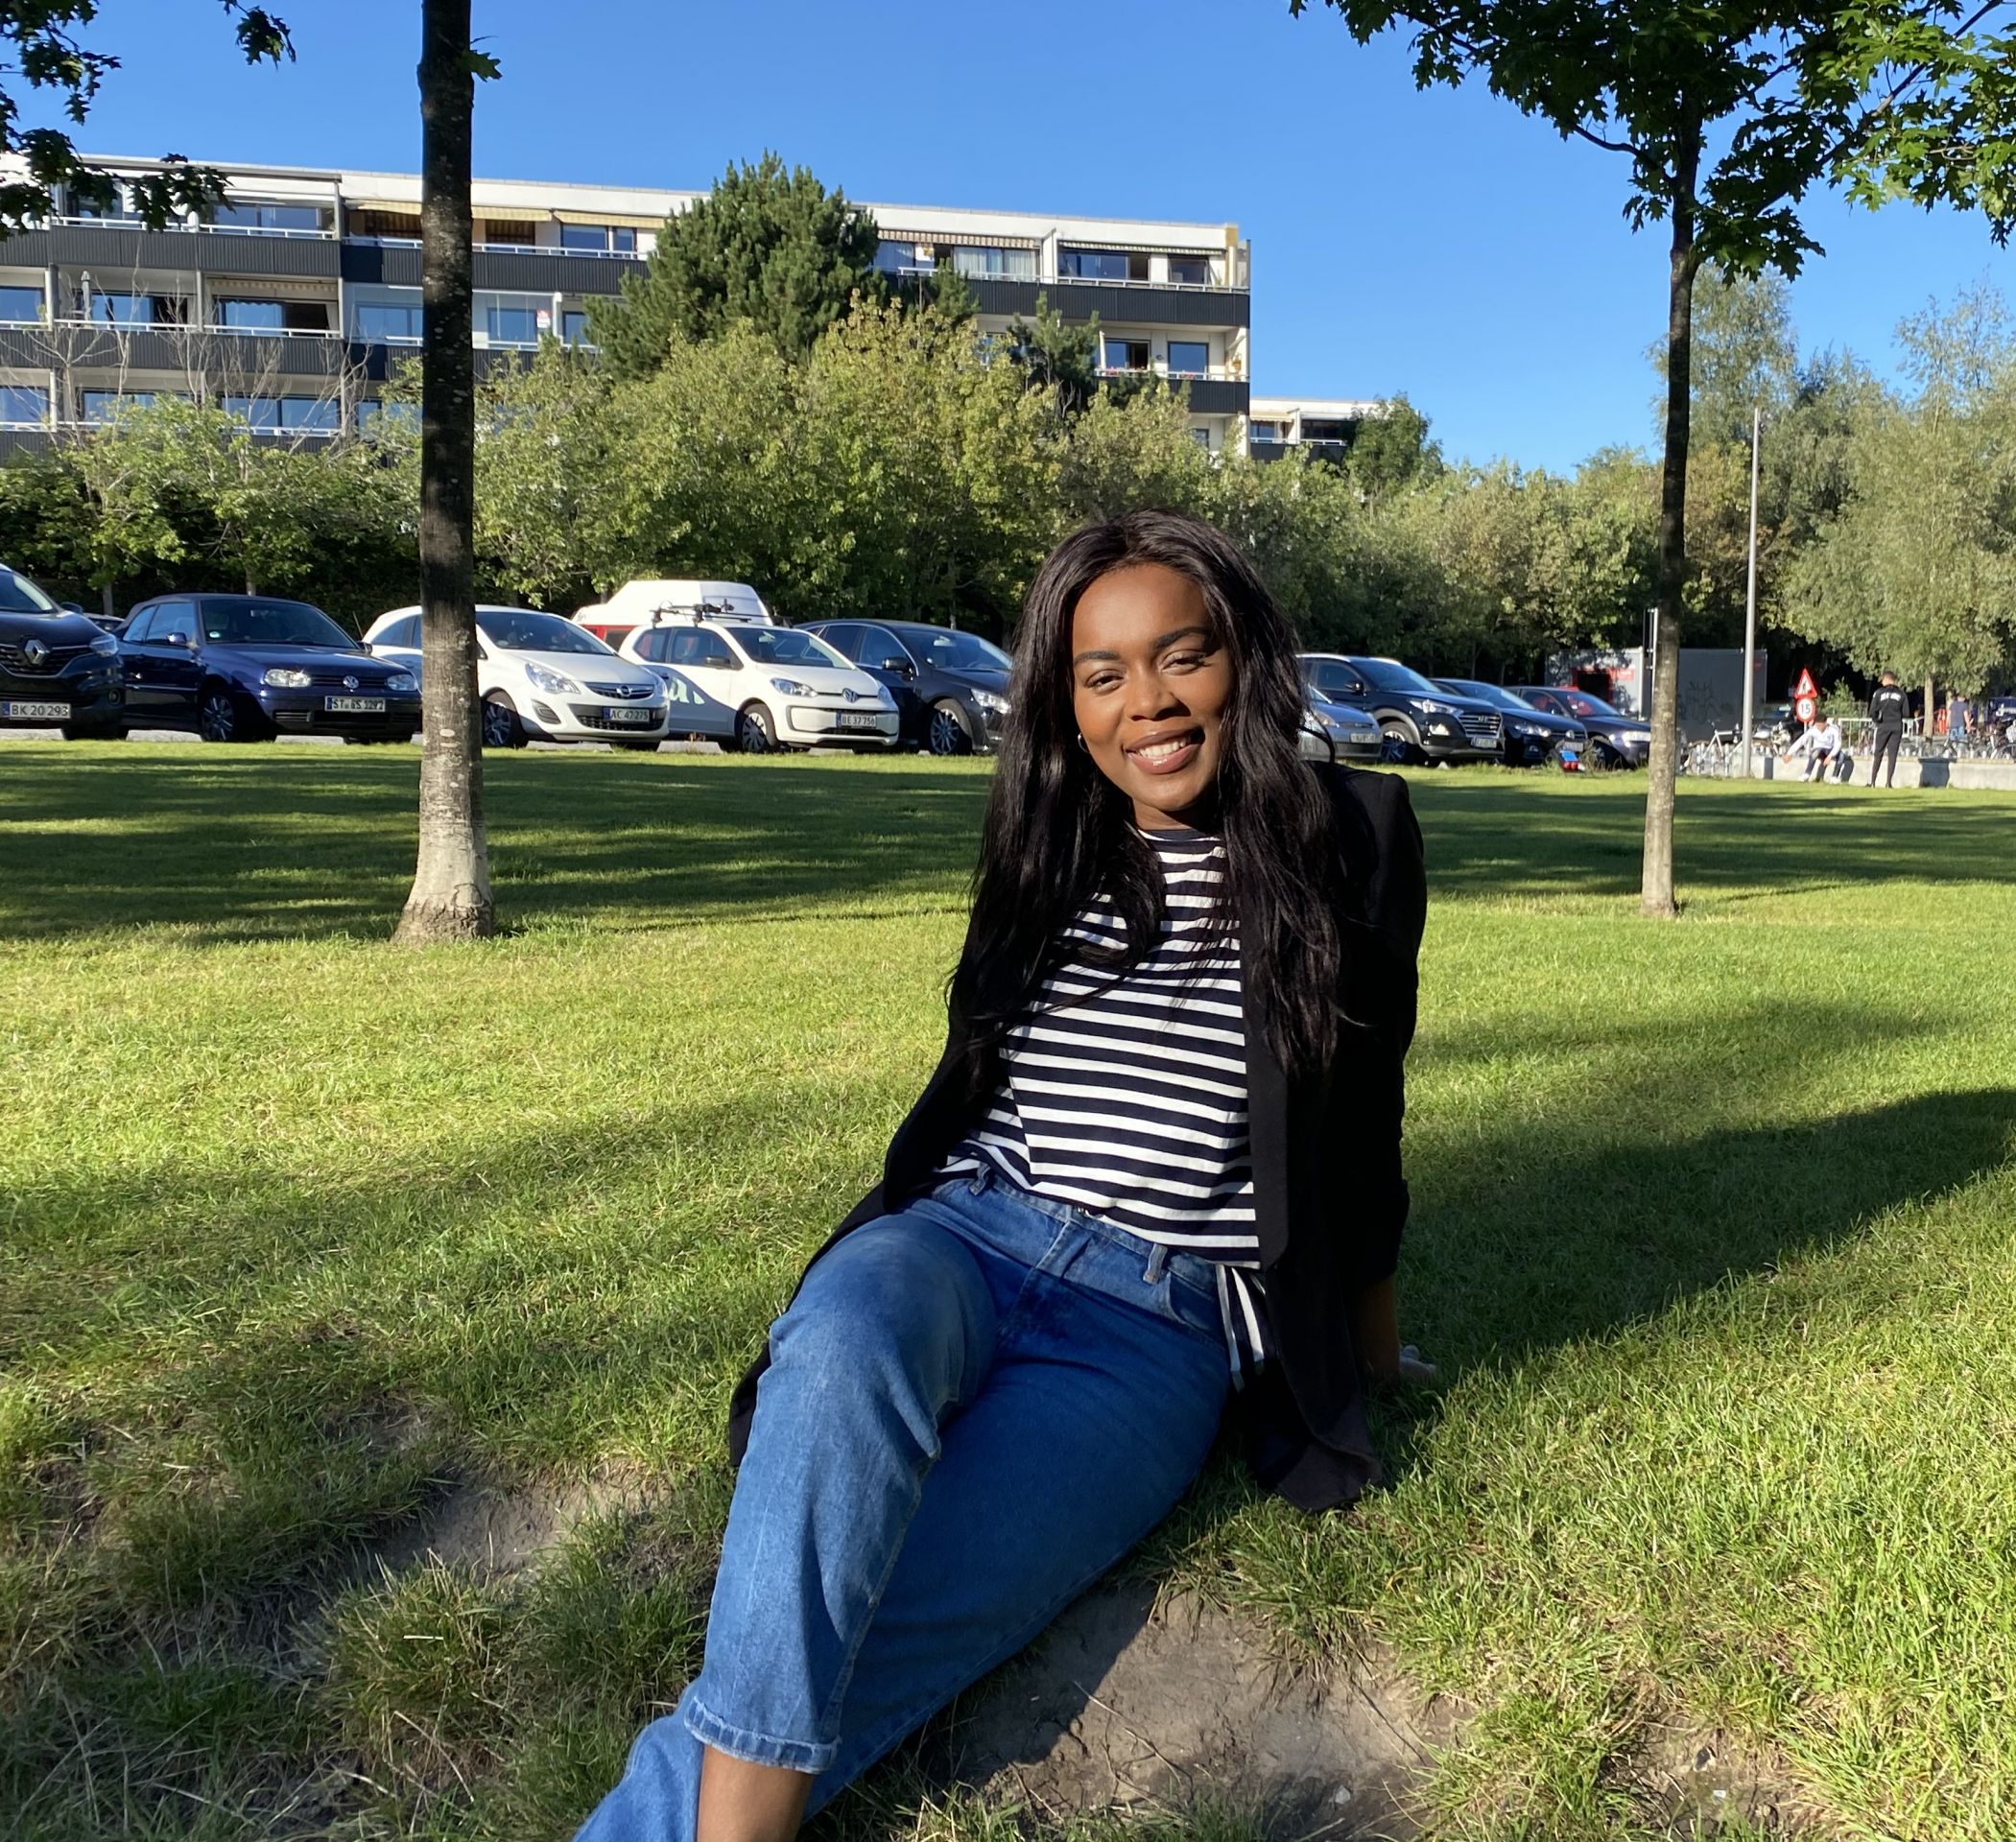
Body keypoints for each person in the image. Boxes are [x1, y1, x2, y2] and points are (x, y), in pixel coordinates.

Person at [577, 511, 1430, 1842]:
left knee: (880, 1638)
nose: (1146, 703)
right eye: (1102, 675)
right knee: (845, 1337)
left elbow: (1364, 1119)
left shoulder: (1354, 836)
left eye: (1180, 658)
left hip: (1150, 1334)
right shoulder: (1049, 838)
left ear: (1244, 663)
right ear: (1065, 700)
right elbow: (976, 1079)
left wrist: (1367, 1355)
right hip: (961, 1243)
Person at [1867, 671, 1911, 788]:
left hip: (1883, 725)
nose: (1881, 682)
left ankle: (1872, 781)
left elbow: (1872, 712)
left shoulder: (1878, 693)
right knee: (1892, 755)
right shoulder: (1902, 694)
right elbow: (1906, 713)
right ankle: (1888, 782)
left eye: (1882, 680)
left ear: (1886, 679)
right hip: (1897, 726)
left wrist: (1877, 720)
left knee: (1878, 753)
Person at [1787, 711, 1843, 782]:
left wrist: (1830, 756)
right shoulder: (1813, 730)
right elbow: (1801, 741)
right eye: (1817, 725)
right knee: (1816, 751)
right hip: (1819, 751)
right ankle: (1806, 774)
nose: (1819, 727)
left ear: (1825, 723)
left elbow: (1838, 744)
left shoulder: (1834, 729)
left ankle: (1834, 776)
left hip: (1830, 750)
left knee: (1841, 756)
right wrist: (1789, 753)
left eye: (1821, 725)